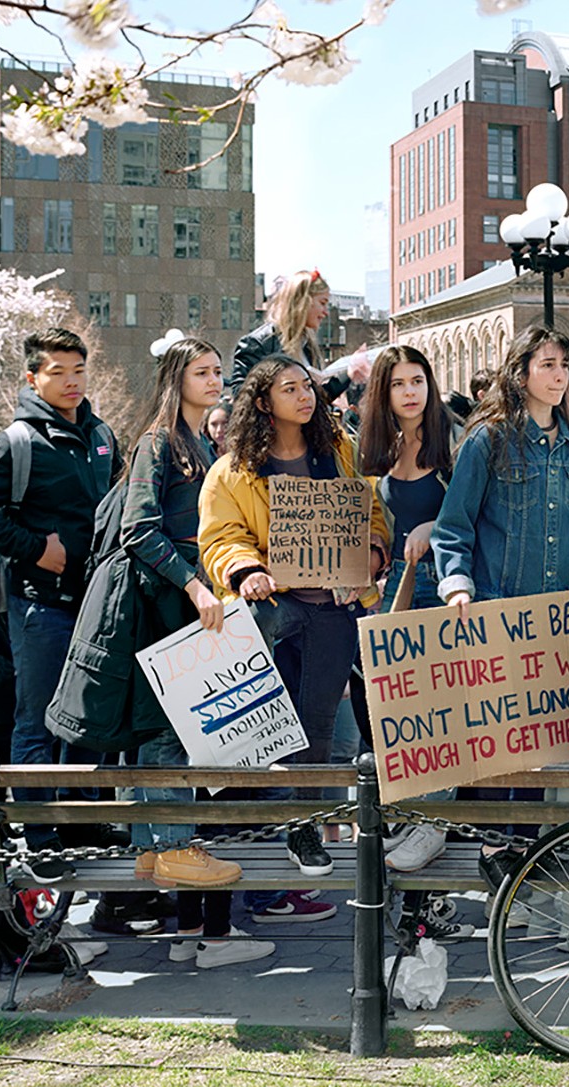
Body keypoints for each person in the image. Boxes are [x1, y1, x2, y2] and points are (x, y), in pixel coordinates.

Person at [201, 354, 389, 921]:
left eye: (307, 386)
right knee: (262, 731)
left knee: (319, 728)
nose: (305, 396)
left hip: (333, 614)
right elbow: (219, 537)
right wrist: (244, 571)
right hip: (271, 616)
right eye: (289, 388)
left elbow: (374, 515)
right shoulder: (233, 471)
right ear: (263, 402)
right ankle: (255, 847)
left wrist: (370, 557)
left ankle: (305, 830)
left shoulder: (342, 453)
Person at [116, 334, 275, 967]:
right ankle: (172, 848)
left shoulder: (207, 446)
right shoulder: (158, 444)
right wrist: (194, 585)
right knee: (173, 736)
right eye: (204, 372)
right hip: (172, 609)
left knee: (175, 732)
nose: (215, 381)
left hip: (206, 608)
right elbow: (139, 531)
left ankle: (166, 866)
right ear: (177, 379)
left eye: (218, 372)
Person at [432, 327, 569, 880]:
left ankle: (525, 846)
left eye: (564, 366)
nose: (558, 376)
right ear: (522, 372)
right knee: (499, 738)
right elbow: (452, 525)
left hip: (554, 618)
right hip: (496, 609)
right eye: (547, 365)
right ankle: (490, 847)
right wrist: (456, 582)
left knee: (541, 737)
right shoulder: (490, 440)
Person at [0, 328, 121, 881]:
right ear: (33, 378)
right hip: (39, 606)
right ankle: (41, 836)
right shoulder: (15, 441)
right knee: (38, 720)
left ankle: (80, 822)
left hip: (96, 603)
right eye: (57, 372)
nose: (71, 382)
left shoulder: (101, 435)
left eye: (78, 371)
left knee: (88, 718)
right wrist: (35, 550)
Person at [356, 344, 459, 871]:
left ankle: (435, 825)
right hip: (396, 589)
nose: (411, 392)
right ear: (384, 392)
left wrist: (433, 528)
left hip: (446, 588)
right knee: (404, 712)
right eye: (399, 384)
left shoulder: (453, 440)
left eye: (418, 380)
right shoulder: (380, 448)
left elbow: (479, 513)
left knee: (445, 711)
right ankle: (415, 815)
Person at [230, 270, 352, 403]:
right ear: (303, 302)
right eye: (322, 303)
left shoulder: (307, 345)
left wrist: (349, 373)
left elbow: (314, 402)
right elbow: (241, 397)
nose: (326, 312)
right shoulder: (258, 343)